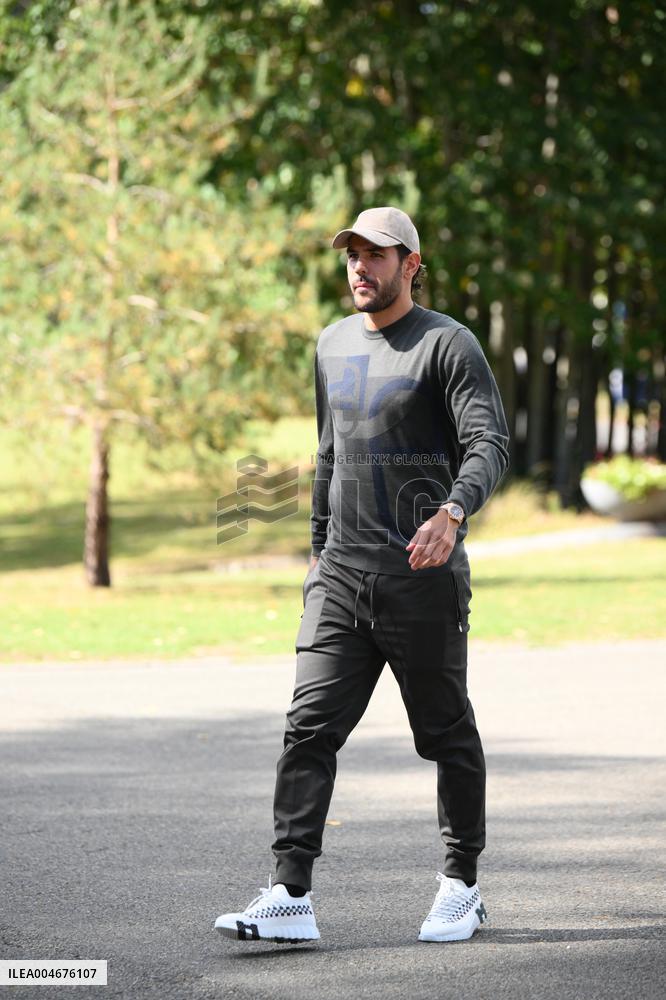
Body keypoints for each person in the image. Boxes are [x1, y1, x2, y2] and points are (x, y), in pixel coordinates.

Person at [215, 206, 509, 944]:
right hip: (342, 578)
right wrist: (317, 550)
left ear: (412, 264)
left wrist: (452, 512)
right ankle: (289, 893)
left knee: (445, 733)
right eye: (351, 254)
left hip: (420, 578)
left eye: (376, 255)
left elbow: (489, 442)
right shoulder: (332, 342)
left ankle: (461, 883)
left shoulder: (448, 344)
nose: (359, 267)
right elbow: (328, 453)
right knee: (307, 728)